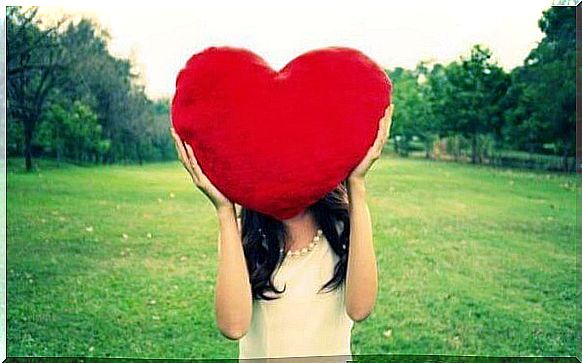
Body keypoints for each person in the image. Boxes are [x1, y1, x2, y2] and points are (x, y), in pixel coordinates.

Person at [170, 104, 394, 361]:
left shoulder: (342, 224)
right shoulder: (244, 234)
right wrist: (224, 211)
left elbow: (360, 308)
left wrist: (356, 183)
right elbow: (233, 326)